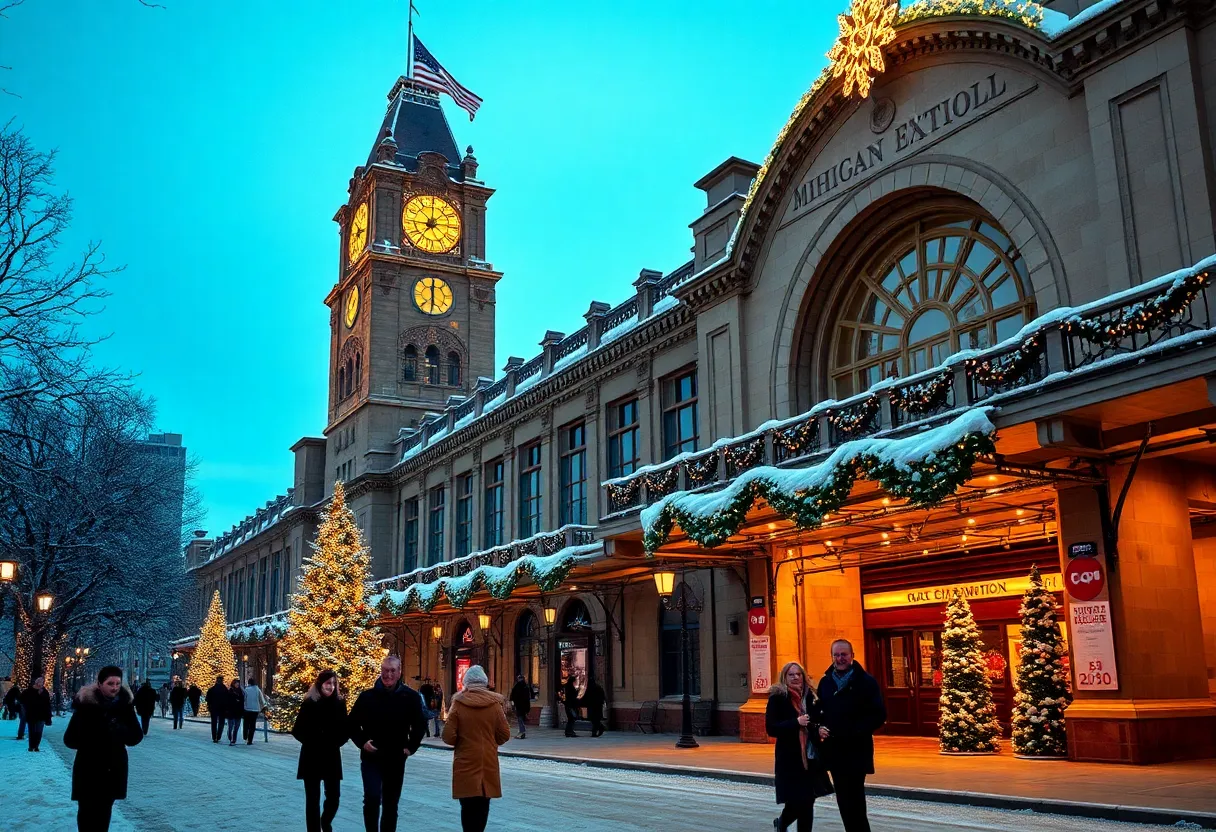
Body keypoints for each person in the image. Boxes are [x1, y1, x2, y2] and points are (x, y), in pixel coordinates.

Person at [347, 655, 427, 832]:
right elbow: (351, 723)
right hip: (371, 757)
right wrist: (362, 742)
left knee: (391, 803)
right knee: (372, 798)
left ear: (399, 672)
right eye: (385, 670)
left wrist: (411, 747)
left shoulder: (410, 697)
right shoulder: (367, 697)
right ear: (381, 671)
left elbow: (420, 724)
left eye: (392, 671)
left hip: (396, 758)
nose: (388, 674)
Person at [816, 639, 886, 832]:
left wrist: (856, 730)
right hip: (835, 751)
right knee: (843, 800)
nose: (840, 659)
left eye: (844, 654)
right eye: (836, 655)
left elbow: (879, 715)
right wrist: (819, 727)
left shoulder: (866, 682)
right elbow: (819, 710)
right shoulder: (826, 682)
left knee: (855, 799)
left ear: (852, 656)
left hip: (857, 750)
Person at [63, 665, 143, 831]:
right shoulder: (86, 705)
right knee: (86, 813)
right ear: (99, 684)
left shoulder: (125, 706)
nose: (114, 687)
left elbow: (136, 736)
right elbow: (69, 740)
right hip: (88, 768)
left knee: (104, 812)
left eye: (117, 683)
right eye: (110, 683)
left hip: (113, 769)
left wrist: (120, 730)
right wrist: (93, 733)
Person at [442, 665, 510, 832]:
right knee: (482, 808)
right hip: (487, 764)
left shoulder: (458, 704)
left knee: (467, 809)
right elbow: (504, 735)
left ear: (466, 683)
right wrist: (490, 742)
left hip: (465, 765)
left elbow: (448, 737)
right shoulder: (495, 706)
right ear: (485, 683)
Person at [768, 661, 833, 831]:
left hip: (811, 756)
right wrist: (795, 722)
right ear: (784, 677)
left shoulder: (811, 696)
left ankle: (784, 825)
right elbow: (772, 728)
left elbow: (814, 722)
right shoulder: (778, 698)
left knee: (809, 799)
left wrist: (819, 729)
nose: (796, 677)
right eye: (791, 675)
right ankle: (782, 822)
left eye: (799, 674)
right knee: (798, 800)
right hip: (791, 758)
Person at [292, 669, 350, 832]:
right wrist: (313, 741)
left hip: (331, 755)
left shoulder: (339, 703)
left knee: (334, 797)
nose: (331, 687)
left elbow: (346, 729)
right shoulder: (309, 703)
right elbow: (297, 730)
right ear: (320, 684)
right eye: (327, 683)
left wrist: (337, 741)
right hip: (311, 756)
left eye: (333, 683)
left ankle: (325, 822)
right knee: (312, 800)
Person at [21, 675, 53, 752]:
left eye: (42, 681)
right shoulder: (29, 690)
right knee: (32, 730)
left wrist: (48, 717)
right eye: (39, 681)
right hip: (31, 713)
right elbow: (22, 699)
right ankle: (31, 746)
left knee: (39, 731)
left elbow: (47, 704)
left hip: (41, 714)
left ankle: (36, 746)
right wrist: (26, 707)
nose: (40, 683)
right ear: (36, 682)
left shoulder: (44, 692)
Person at [242, 675, 268, 745]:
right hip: (255, 710)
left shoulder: (246, 690)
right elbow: (261, 699)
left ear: (249, 683)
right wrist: (264, 706)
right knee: (252, 725)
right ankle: (250, 740)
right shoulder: (257, 689)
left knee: (246, 723)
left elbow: (243, 699)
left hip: (247, 709)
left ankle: (245, 735)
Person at [205, 675, 228, 743]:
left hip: (214, 708)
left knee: (214, 723)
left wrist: (209, 706)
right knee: (221, 722)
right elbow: (227, 699)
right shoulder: (225, 689)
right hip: (222, 708)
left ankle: (214, 737)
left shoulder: (212, 689)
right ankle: (218, 736)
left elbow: (207, 699)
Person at [508, 675, 530, 739]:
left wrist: (512, 704)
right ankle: (521, 732)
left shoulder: (517, 686)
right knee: (521, 719)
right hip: (524, 706)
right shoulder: (526, 686)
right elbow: (527, 698)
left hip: (519, 705)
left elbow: (513, 696)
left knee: (520, 719)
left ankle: (522, 732)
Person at [226, 678, 244, 745]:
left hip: (238, 711)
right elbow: (228, 701)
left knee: (236, 727)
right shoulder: (230, 691)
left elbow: (243, 700)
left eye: (238, 683)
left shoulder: (241, 692)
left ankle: (234, 739)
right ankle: (230, 737)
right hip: (231, 711)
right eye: (236, 683)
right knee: (231, 727)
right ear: (233, 684)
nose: (237, 685)